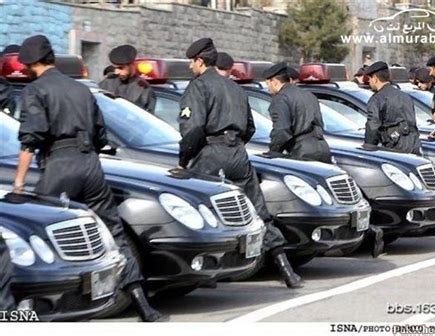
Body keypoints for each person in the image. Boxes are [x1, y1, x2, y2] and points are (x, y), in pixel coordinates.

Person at [13, 35, 166, 322]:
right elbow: (100, 136)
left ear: (33, 64)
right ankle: (143, 305)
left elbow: (30, 139)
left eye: (26, 65)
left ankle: (55, 307)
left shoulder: (35, 91)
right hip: (91, 165)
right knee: (114, 234)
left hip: (60, 165)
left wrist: (20, 184)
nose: (26, 70)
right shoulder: (82, 90)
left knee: (47, 233)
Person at [178, 38, 302, 288]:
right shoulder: (235, 88)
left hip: (210, 154)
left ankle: (207, 274)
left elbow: (192, 130)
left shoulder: (197, 87)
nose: (190, 67)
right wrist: (234, 145)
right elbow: (250, 128)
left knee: (203, 212)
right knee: (258, 212)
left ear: (200, 62)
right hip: (238, 154)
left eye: (191, 62)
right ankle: (286, 270)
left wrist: (184, 161)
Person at [264, 62, 332, 163]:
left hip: (302, 151)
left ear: (274, 81)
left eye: (268, 84)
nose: (268, 88)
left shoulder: (280, 98)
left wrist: (273, 151)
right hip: (322, 147)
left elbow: (282, 130)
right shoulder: (308, 94)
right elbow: (319, 122)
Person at [364, 61, 421, 154]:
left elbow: (372, 127)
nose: (369, 82)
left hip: (394, 149)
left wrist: (368, 149)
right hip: (414, 146)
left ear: (375, 78)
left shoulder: (376, 100)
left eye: (369, 79)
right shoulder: (404, 96)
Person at [99, 45, 156, 113]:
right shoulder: (107, 82)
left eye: (121, 68)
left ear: (132, 65)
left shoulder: (144, 89)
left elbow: (146, 118)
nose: (116, 72)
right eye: (115, 68)